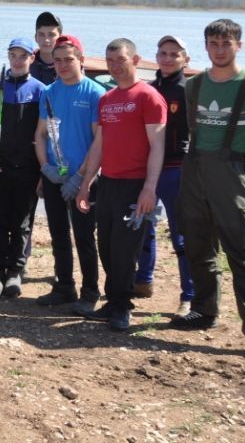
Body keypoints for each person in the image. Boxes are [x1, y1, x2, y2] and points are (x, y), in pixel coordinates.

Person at [169, 19, 245, 363]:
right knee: (198, 246)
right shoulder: (195, 84)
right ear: (205, 47)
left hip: (231, 174)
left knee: (243, 253)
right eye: (214, 44)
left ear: (238, 46)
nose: (219, 50)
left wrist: (233, 159)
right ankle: (204, 310)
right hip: (195, 171)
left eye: (226, 44)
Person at [76, 38, 166, 331]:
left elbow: (158, 146)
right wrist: (87, 182)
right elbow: (100, 144)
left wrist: (149, 188)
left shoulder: (148, 97)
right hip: (109, 182)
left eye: (121, 60)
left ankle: (122, 306)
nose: (115, 66)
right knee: (107, 246)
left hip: (135, 184)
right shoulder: (107, 98)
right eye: (110, 61)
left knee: (125, 249)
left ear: (135, 60)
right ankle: (112, 301)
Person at [34, 35, 103, 313]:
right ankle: (64, 286)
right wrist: (46, 168)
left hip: (85, 181)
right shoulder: (49, 92)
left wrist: (81, 178)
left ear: (81, 60)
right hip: (55, 177)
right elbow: (39, 135)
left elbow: (100, 140)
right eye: (58, 60)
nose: (62, 65)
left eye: (68, 59)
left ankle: (90, 292)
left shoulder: (94, 93)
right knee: (58, 234)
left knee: (85, 237)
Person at [134, 36, 195, 316]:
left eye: (174, 54)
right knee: (143, 224)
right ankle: (144, 279)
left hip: (176, 168)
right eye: (163, 53)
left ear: (186, 59)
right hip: (148, 168)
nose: (168, 59)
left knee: (181, 235)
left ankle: (189, 295)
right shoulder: (149, 89)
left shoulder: (189, 90)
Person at [0, 37, 46, 299]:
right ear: (8, 57)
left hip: (29, 167)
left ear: (31, 58)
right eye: (13, 55)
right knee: (0, 220)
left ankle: (16, 272)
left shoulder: (41, 90)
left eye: (23, 56)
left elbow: (45, 132)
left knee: (22, 222)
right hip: (0, 166)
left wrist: (44, 168)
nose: (18, 60)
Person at [30, 12, 62, 85]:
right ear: (36, 37)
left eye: (51, 35)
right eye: (41, 35)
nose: (46, 40)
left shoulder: (68, 65)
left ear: (60, 38)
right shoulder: (27, 63)